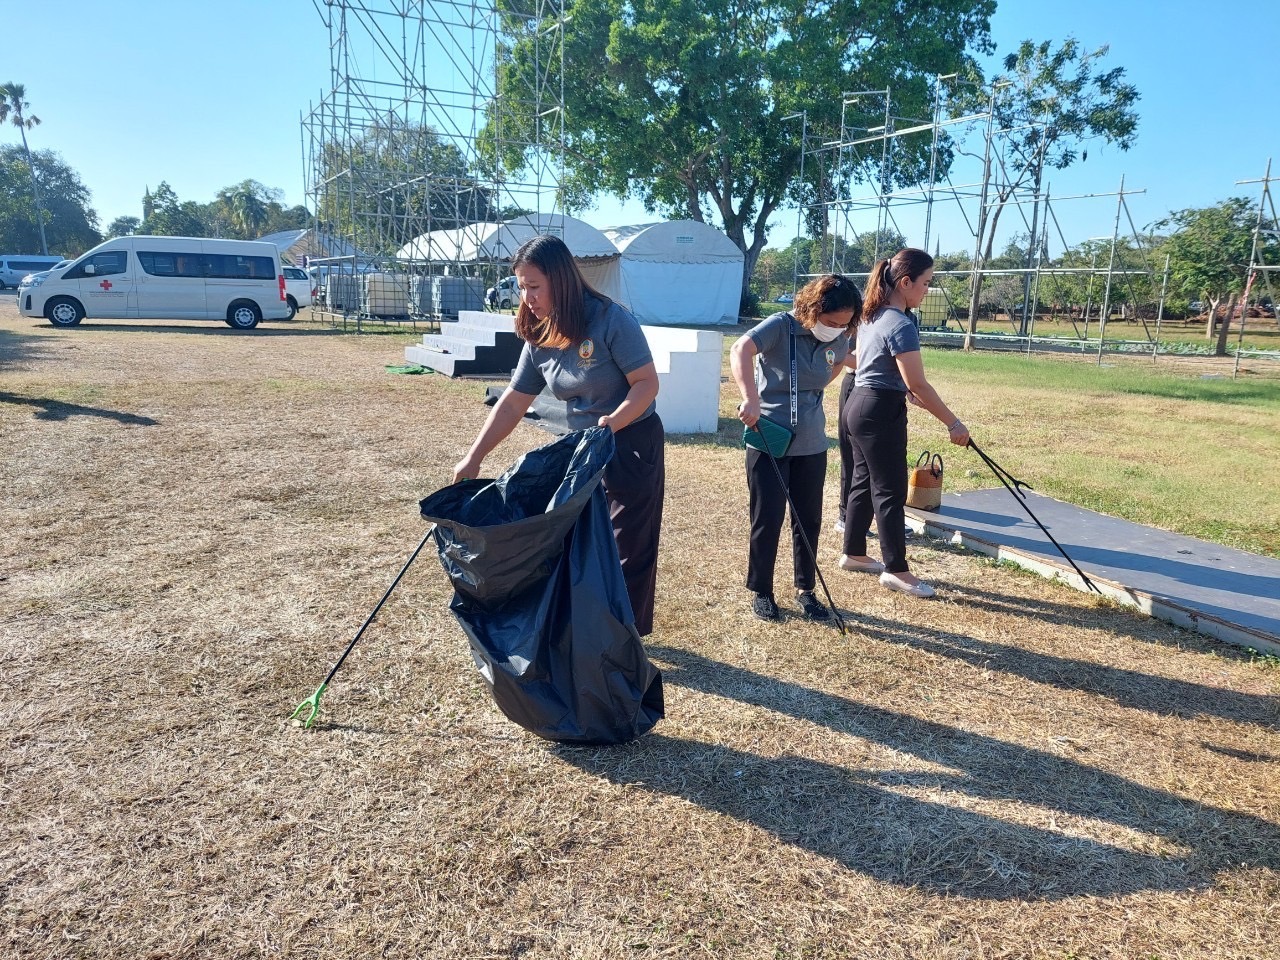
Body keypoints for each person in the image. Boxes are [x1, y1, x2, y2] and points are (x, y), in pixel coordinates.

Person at [452, 235, 665, 636]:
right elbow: (513, 402)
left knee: (627, 543)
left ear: (561, 281)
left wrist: (613, 422)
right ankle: (588, 625)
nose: (527, 297)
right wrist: (474, 456)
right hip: (582, 447)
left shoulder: (609, 320)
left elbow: (646, 384)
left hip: (631, 439)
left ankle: (625, 637)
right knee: (578, 537)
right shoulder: (540, 334)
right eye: (521, 287)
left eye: (535, 286)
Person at [730, 274, 863, 622]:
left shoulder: (839, 336)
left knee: (808, 520)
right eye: (831, 321)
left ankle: (806, 590)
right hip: (769, 437)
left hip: (812, 443)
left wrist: (816, 386)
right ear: (813, 308)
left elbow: (839, 361)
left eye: (844, 325)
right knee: (768, 516)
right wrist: (750, 398)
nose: (836, 329)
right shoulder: (780, 326)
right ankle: (762, 590)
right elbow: (740, 348)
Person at [840, 248, 969, 599]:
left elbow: (890, 374)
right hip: (880, 411)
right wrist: (953, 423)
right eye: (925, 283)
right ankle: (896, 570)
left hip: (859, 403)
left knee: (863, 481)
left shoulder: (873, 315)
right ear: (905, 281)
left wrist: (906, 392)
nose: (927, 290)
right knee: (890, 491)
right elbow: (918, 384)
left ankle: (853, 552)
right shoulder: (899, 324)